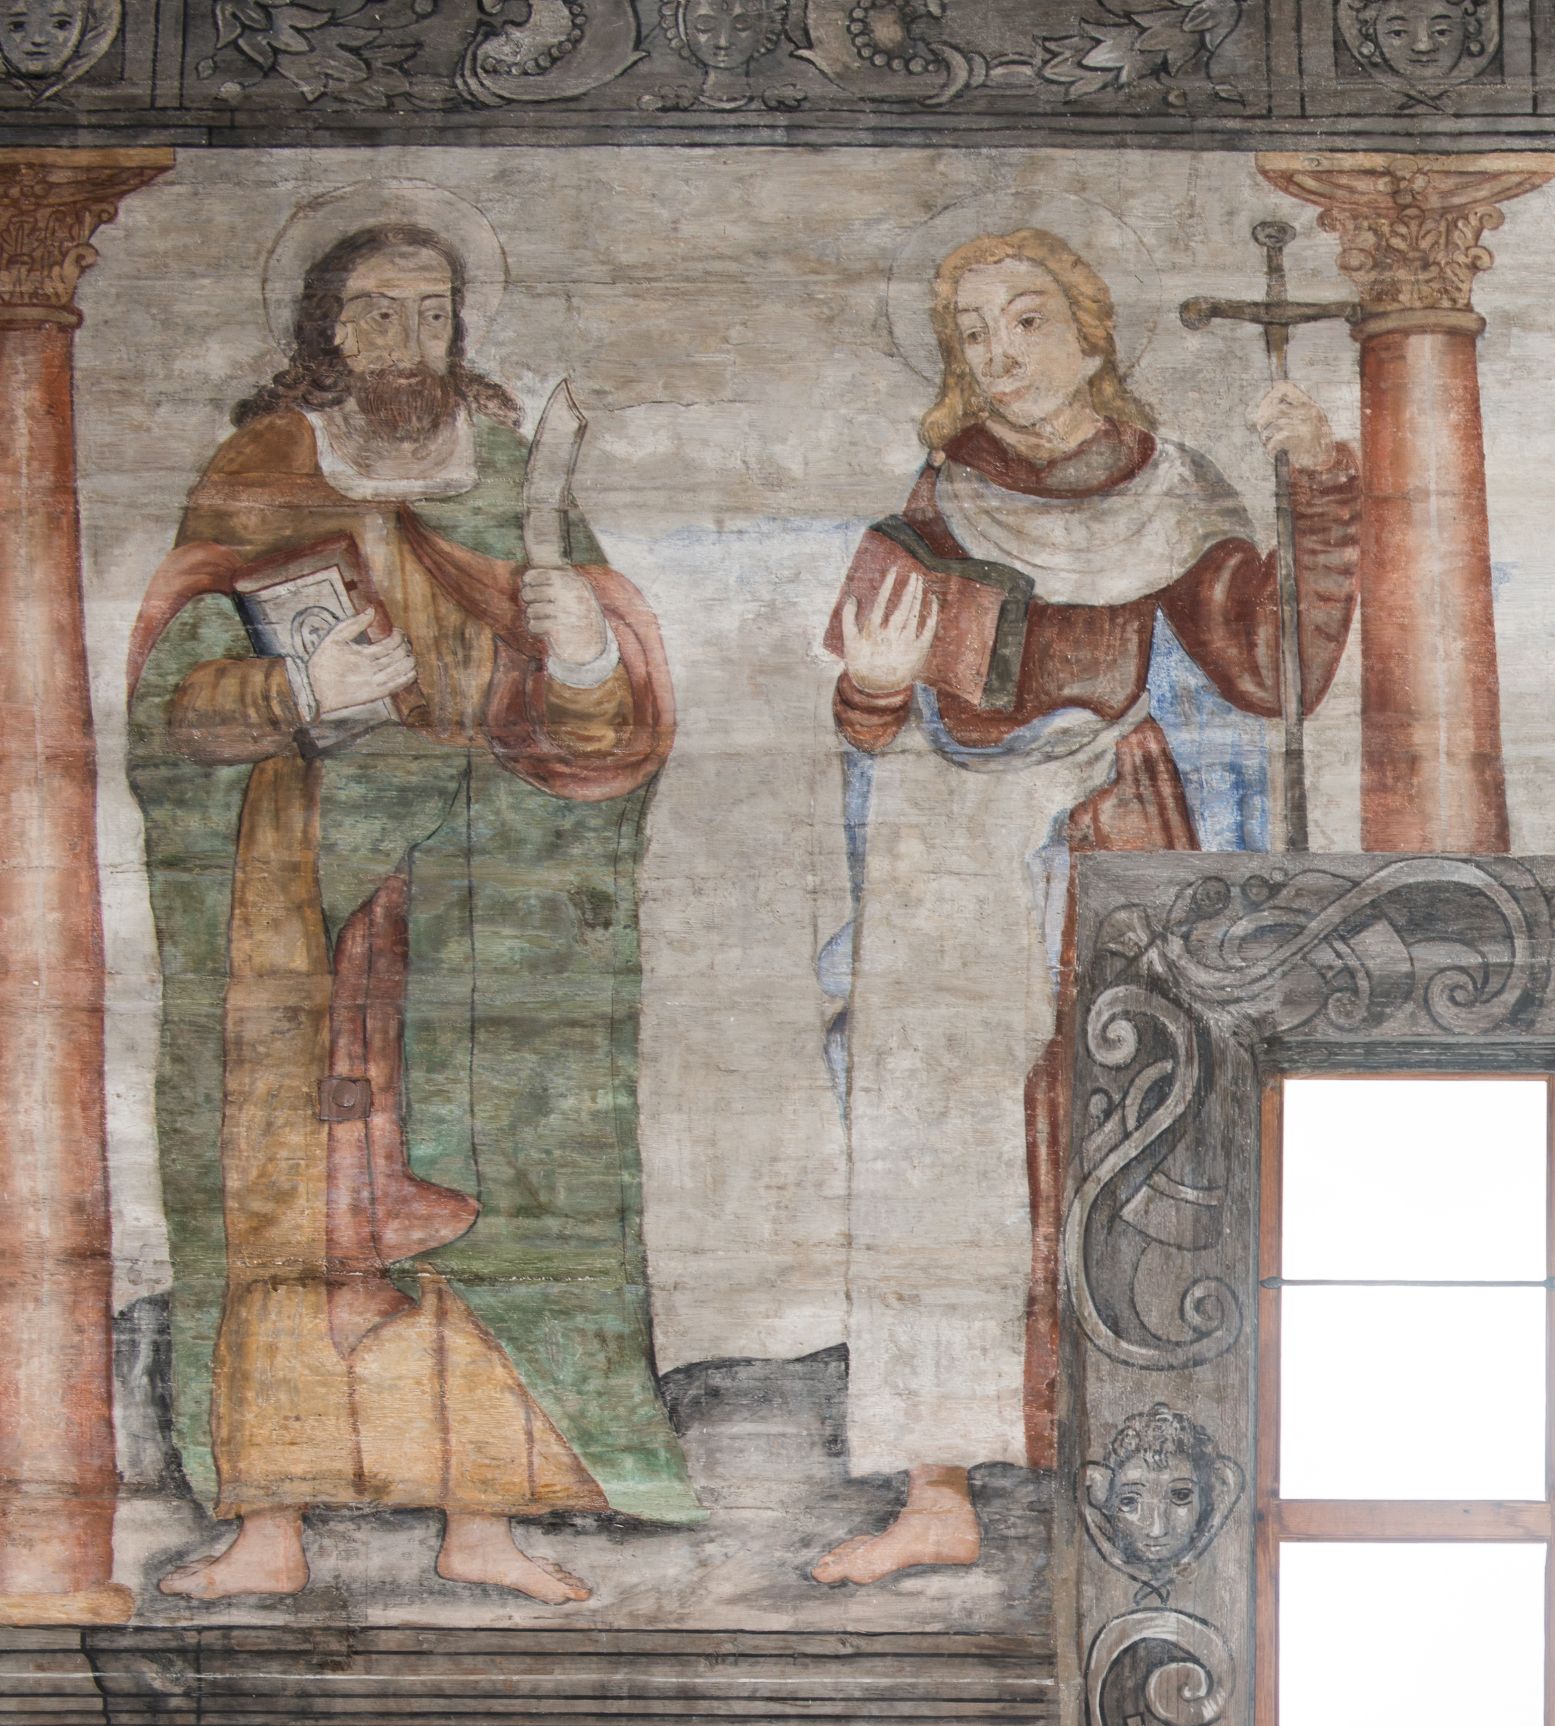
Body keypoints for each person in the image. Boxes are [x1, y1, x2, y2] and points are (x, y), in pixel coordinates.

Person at [124, 210, 700, 1602]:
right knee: (289, 1191)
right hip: (298, 886)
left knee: (486, 1178)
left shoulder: (505, 481)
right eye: (376, 313)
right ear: (326, 328)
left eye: (432, 313)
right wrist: (291, 690)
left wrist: (583, 655)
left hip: (478, 893)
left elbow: (598, 729)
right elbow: (165, 706)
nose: (406, 341)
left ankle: (482, 1521)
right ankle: (269, 1523)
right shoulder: (258, 475)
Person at [815, 227, 1357, 1585]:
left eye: (1028, 320)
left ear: (1092, 332)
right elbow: (869, 716)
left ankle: (1148, 1452)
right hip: (949, 856)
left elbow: (1279, 667)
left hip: (1116, 828)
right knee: (937, 1136)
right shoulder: (935, 510)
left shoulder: (1177, 494)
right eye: (974, 334)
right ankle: (938, 1485)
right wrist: (873, 687)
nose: (1001, 355)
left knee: (1127, 1125)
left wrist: (1320, 489)